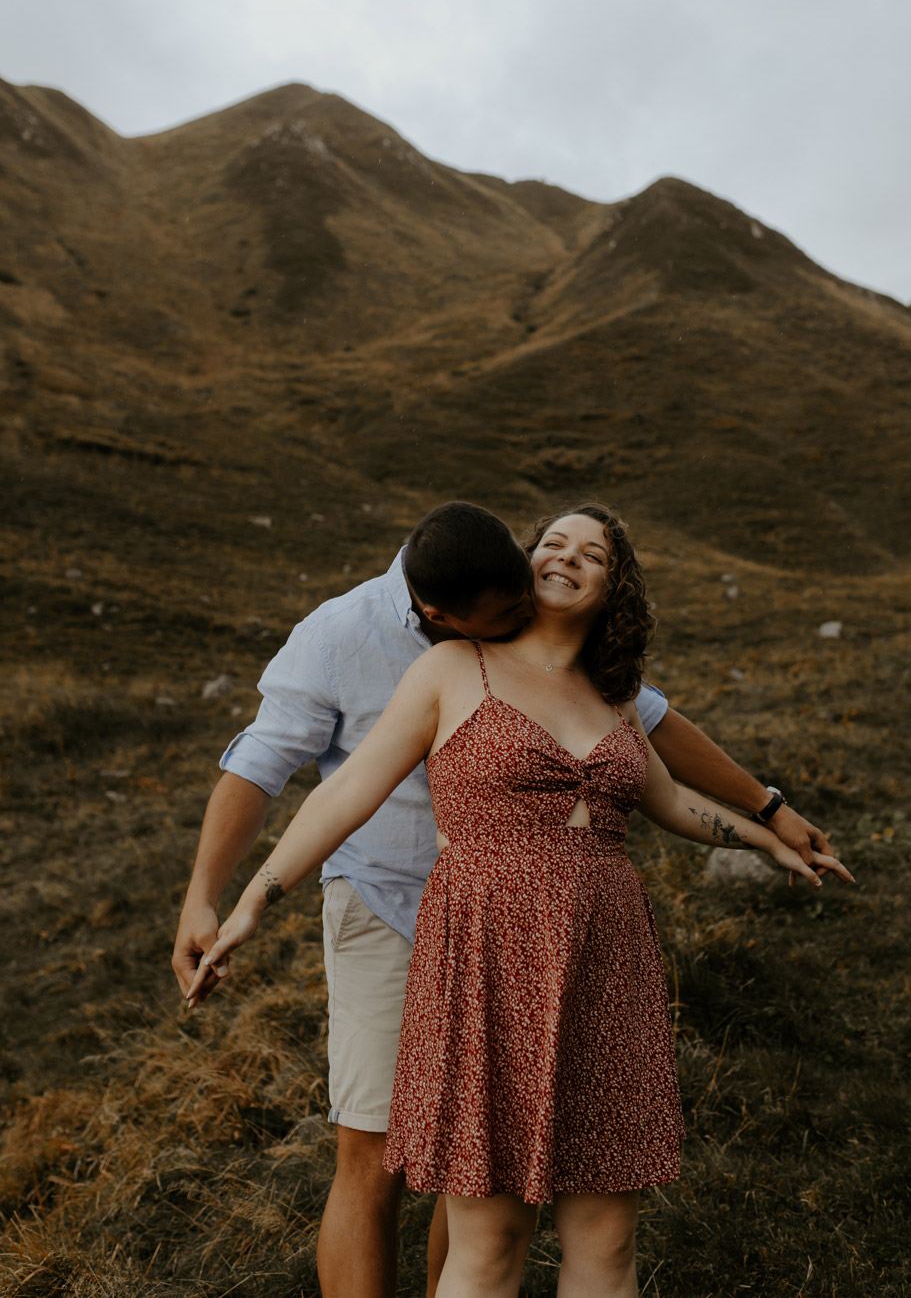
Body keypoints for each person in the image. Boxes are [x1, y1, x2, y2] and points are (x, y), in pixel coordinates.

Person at [185, 503, 854, 1298]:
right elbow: (346, 794)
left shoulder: (614, 694)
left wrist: (764, 830)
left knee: (608, 1236)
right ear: (523, 565)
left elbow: (669, 800)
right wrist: (254, 898)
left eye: (594, 553)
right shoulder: (447, 667)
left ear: (616, 588)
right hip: (485, 952)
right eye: (553, 542)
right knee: (491, 1233)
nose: (567, 556)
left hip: (605, 960)